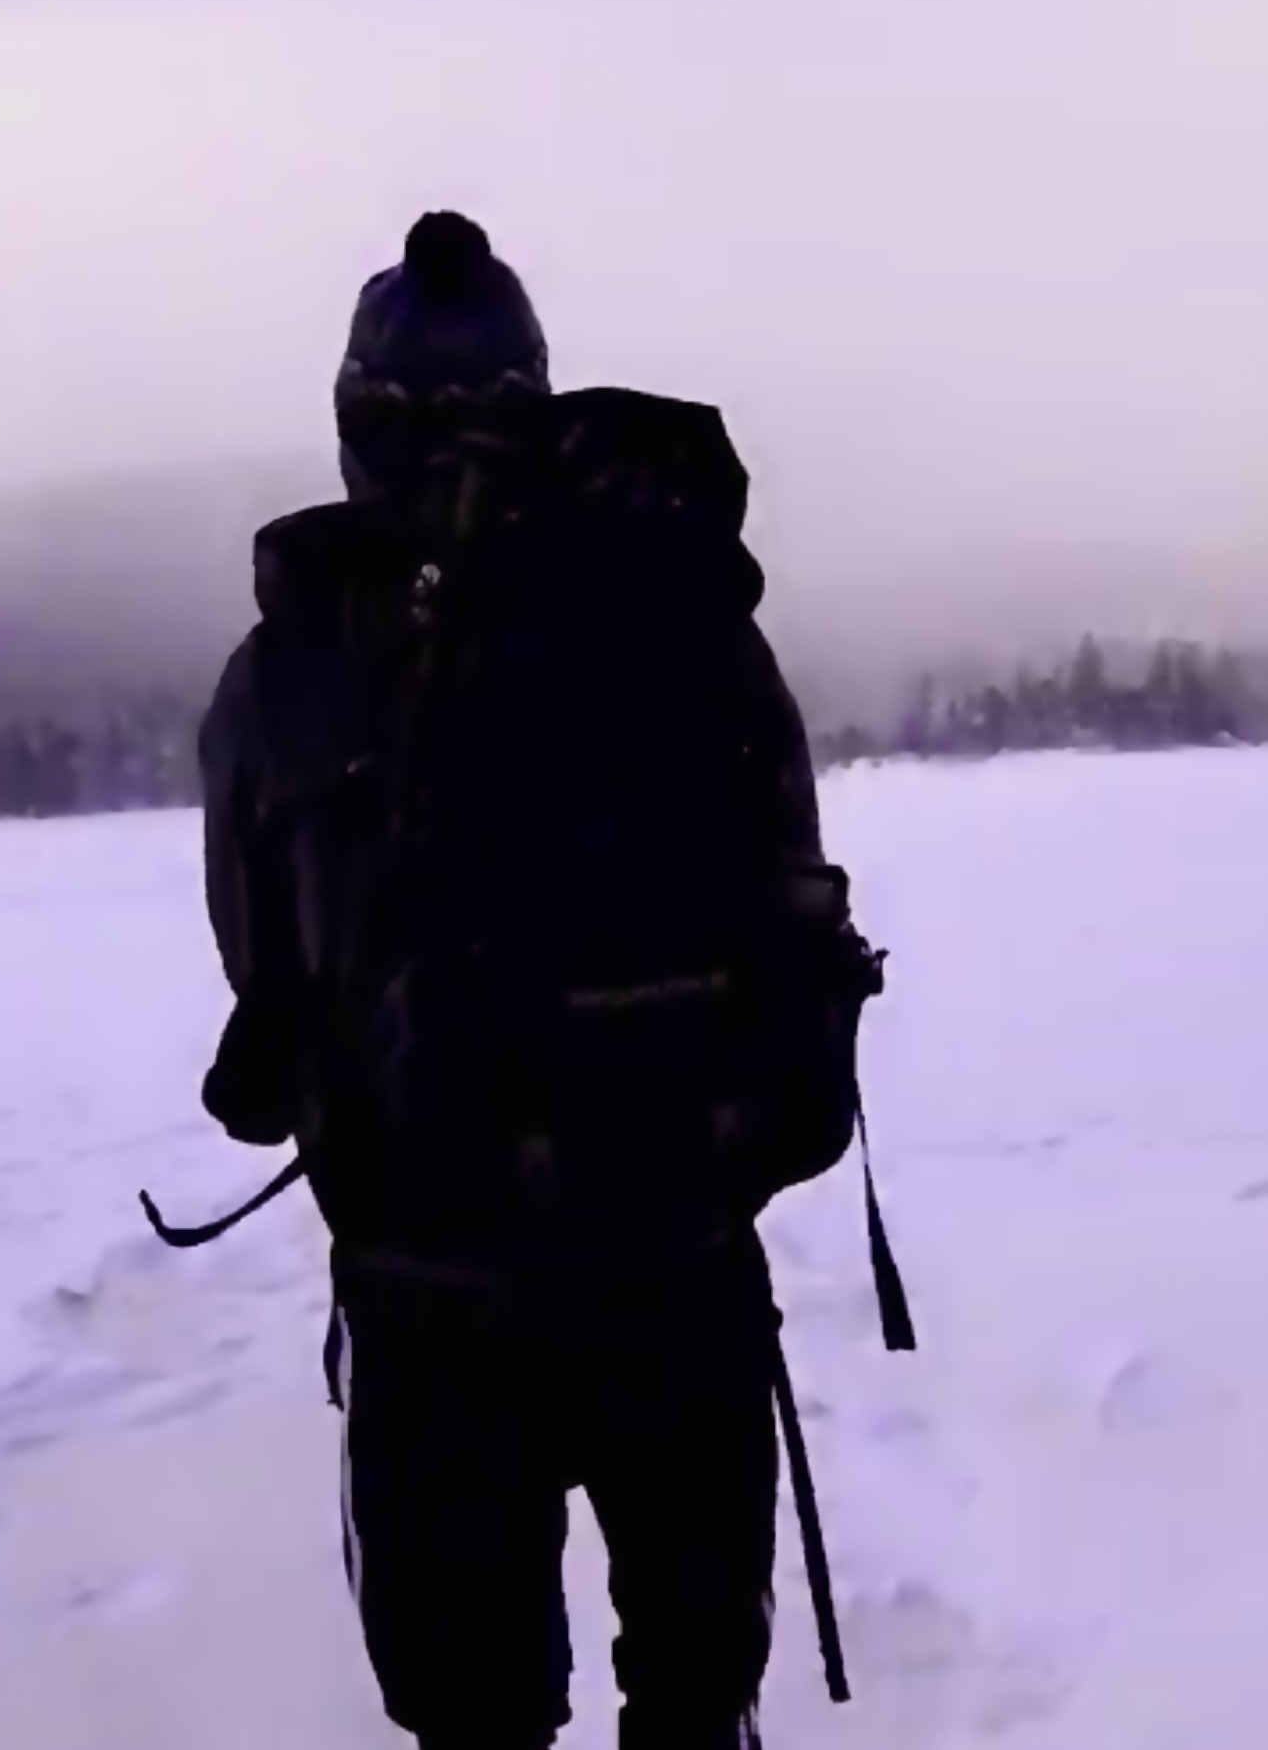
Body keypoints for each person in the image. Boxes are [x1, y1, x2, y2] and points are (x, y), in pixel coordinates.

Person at [192, 212, 892, 1750]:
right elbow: (792, 885)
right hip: (682, 1265)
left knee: (477, 1719)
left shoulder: (289, 666)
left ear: (355, 417)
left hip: (433, 1297)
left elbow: (262, 962)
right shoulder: (689, 618)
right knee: (693, 1704)